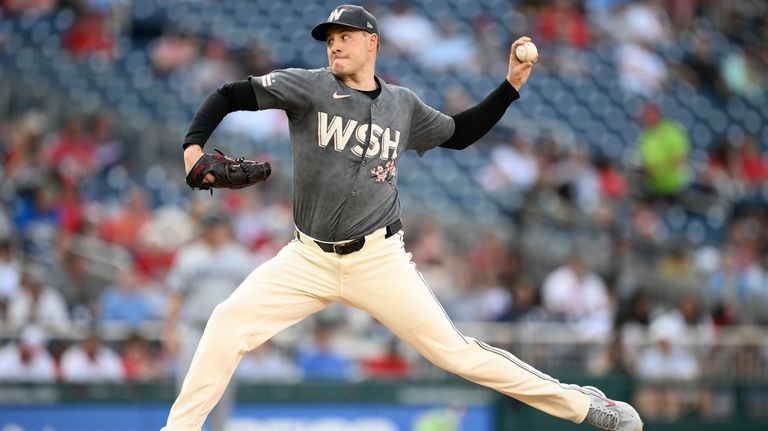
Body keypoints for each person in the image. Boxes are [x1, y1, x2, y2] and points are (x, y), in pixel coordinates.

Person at [164, 5, 643, 431]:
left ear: (371, 42)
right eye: (330, 40)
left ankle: (583, 405)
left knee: (455, 353)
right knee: (227, 322)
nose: (334, 46)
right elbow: (228, 94)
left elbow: (460, 133)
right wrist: (192, 151)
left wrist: (511, 86)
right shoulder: (309, 87)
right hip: (307, 258)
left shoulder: (403, 105)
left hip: (378, 260)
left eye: (344, 37)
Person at [163, 210, 254, 431]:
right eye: (209, 226)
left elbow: (251, 297)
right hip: (195, 327)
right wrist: (169, 330)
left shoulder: (240, 257)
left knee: (224, 389)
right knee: (187, 388)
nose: (214, 231)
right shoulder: (189, 255)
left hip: (228, 331)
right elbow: (176, 295)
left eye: (217, 226)